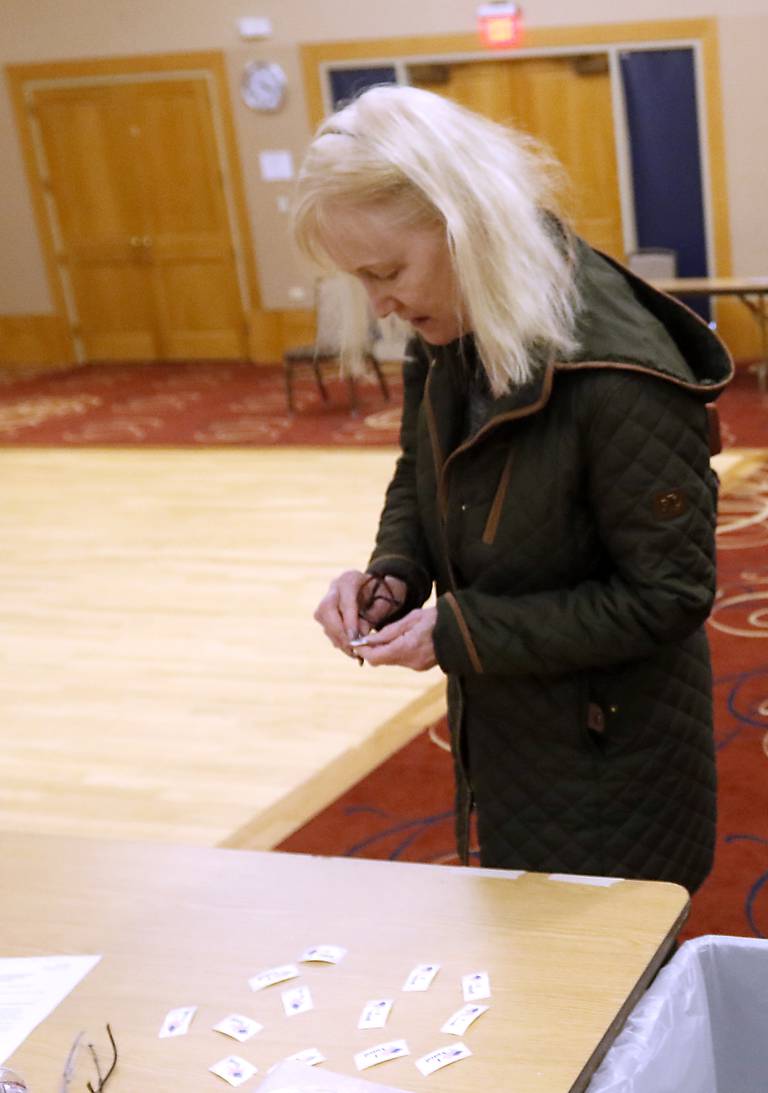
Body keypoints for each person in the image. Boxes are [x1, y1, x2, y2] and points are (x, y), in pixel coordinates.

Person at [293, 84, 732, 892]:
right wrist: (395, 573)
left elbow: (669, 595)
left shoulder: (619, 373)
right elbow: (423, 469)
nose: (379, 305)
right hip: (514, 731)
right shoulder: (454, 319)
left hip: (614, 763)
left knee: (608, 962)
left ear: (466, 223)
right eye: (361, 279)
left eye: (387, 271)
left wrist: (462, 632)